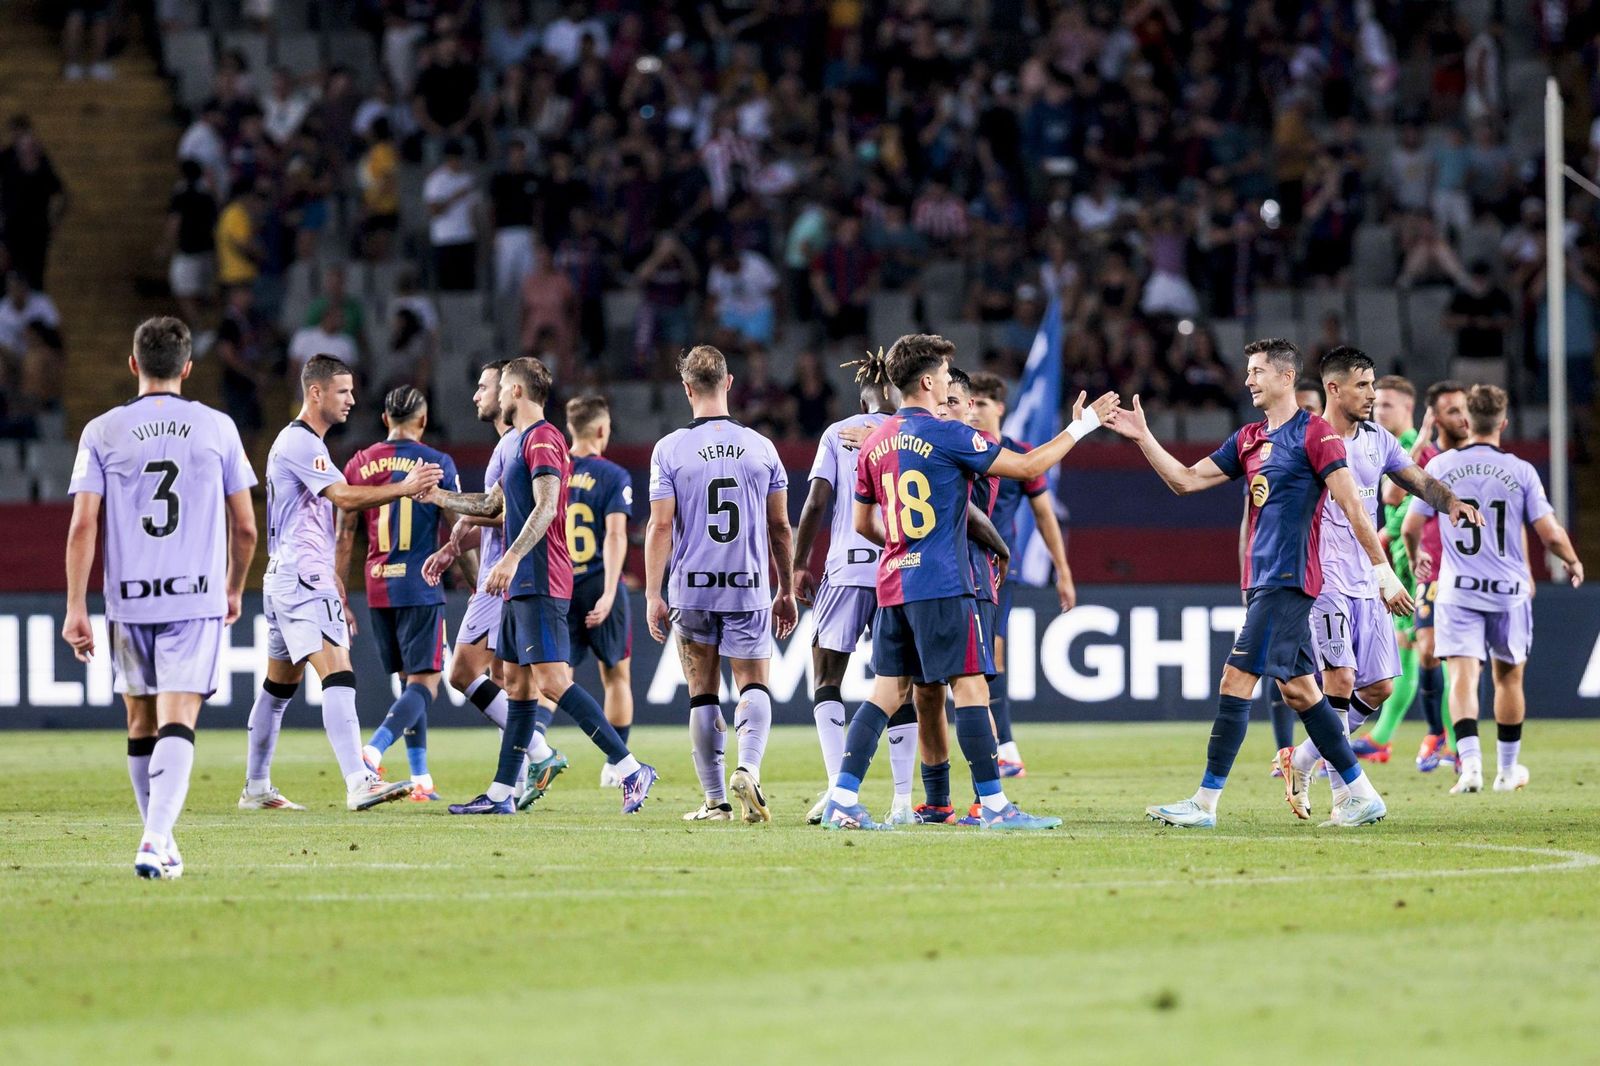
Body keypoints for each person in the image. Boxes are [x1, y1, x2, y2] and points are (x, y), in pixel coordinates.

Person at [1105, 337, 1408, 830]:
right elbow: (1184, 481)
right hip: (1265, 579)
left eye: (1257, 371)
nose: (1248, 380)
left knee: (1235, 680)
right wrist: (1143, 436)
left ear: (1287, 377)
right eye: (1248, 371)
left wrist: (1382, 573)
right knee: (1302, 694)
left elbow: (1353, 505)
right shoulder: (1248, 438)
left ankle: (1204, 803)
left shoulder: (1317, 435)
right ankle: (1362, 793)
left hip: (1291, 579)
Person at [822, 333, 1116, 831]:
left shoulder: (873, 442)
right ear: (929, 380)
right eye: (942, 375)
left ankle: (842, 798)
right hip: (942, 581)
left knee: (887, 691)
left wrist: (904, 540)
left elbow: (863, 524)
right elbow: (1025, 466)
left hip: (894, 582)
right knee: (972, 687)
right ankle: (997, 806)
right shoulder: (945, 433)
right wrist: (1082, 425)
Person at [62, 318, 257, 878]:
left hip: (128, 601)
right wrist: (233, 587)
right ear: (188, 368)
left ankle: (160, 842)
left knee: (140, 723)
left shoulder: (101, 431)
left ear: (133, 365)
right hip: (194, 598)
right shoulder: (216, 427)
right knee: (179, 721)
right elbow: (245, 527)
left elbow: (83, 525)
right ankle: (154, 840)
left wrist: (77, 606)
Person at [426, 357, 657, 815]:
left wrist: (510, 558)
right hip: (517, 584)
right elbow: (492, 502)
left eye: (498, 387)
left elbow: (548, 506)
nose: (489, 395)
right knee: (515, 685)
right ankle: (500, 795)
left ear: (515, 391)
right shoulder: (517, 443)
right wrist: (437, 497)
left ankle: (630, 767)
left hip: (540, 577)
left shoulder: (546, 438)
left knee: (551, 681)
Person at [1275, 347, 1479, 820]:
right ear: (1333, 387)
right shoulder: (1307, 438)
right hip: (1322, 575)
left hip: (1366, 576)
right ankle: (1347, 796)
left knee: (1381, 687)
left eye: (1373, 386)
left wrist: (1452, 503)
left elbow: (1416, 480)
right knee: (1341, 679)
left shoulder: (1376, 439)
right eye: (1363, 385)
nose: (1371, 394)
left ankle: (1302, 759)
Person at [239, 355, 443, 813]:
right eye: (343, 391)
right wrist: (404, 487)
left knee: (277, 690)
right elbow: (345, 497)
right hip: (305, 576)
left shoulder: (301, 443)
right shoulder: (299, 443)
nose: (352, 399)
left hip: (285, 577)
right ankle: (358, 780)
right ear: (316, 393)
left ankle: (255, 787)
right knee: (339, 675)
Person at [1402, 385, 1585, 794]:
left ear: (1467, 421)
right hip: (1508, 591)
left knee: (1462, 679)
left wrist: (1416, 559)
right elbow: (1549, 532)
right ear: (1503, 423)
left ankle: (1470, 769)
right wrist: (1571, 560)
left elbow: (1411, 525)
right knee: (1508, 680)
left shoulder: (1444, 465)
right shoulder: (1521, 470)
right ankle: (1506, 771)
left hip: (1458, 590)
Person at [643, 345, 796, 823]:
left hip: (691, 587)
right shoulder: (761, 447)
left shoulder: (669, 449)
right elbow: (780, 527)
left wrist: (652, 592)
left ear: (687, 389)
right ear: (730, 384)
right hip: (748, 585)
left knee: (702, 692)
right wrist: (786, 588)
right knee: (753, 683)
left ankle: (716, 802)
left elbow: (660, 526)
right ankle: (747, 767)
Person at [421, 362, 561, 810]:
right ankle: (516, 780)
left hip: (503, 576)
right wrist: (453, 545)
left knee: (467, 672)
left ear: (510, 392)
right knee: (505, 678)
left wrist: (440, 498)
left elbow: (502, 511)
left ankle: (540, 757)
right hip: (497, 573)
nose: (480, 395)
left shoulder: (515, 444)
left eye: (488, 387)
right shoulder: (510, 444)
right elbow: (493, 512)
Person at [336, 387, 463, 804]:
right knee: (426, 683)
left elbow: (345, 532)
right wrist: (477, 583)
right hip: (420, 584)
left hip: (377, 584)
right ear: (423, 421)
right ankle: (371, 751)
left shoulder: (360, 462)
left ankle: (420, 777)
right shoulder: (437, 464)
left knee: (409, 680)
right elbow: (459, 528)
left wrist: (340, 584)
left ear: (384, 419)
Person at [965, 371, 1078, 778]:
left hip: (997, 572)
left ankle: (1004, 746)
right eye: (969, 402)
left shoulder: (1018, 453)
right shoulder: (961, 448)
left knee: (990, 653)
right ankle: (993, 745)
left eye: (981, 403)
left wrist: (1062, 571)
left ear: (999, 407)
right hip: (956, 566)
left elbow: (1045, 515)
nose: (973, 410)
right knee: (968, 662)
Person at [1366, 381, 1473, 765]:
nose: (1378, 412)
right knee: (1415, 652)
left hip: (1421, 564)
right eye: (1376, 405)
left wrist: (1385, 539)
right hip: (1404, 559)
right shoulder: (1386, 444)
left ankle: (1446, 741)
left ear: (1410, 408)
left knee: (1428, 652)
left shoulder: (1416, 446)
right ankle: (1400, 737)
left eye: (1386, 405)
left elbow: (1398, 503)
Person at [563, 396, 637, 788]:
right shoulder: (613, 476)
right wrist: (609, 592)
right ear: (602, 429)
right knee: (616, 676)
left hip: (559, 584)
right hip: (596, 579)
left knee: (554, 676)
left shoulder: (551, 471)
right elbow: (615, 534)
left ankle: (534, 755)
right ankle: (615, 763)